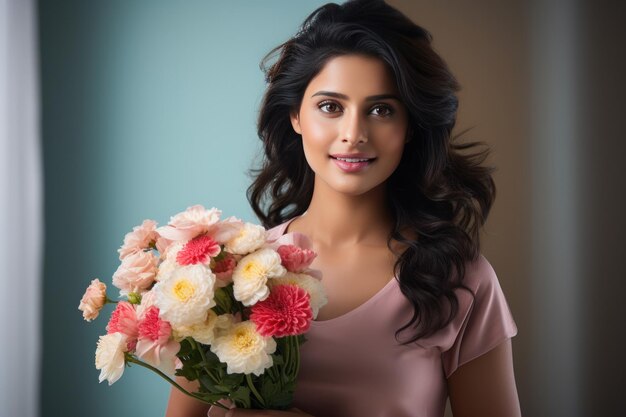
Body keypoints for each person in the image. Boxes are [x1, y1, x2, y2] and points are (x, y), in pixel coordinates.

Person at [166, 0, 521, 416]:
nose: (354, 134)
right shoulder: (225, 275)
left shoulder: (460, 279)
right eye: (331, 107)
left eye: (381, 110)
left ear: (409, 127)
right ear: (296, 115)